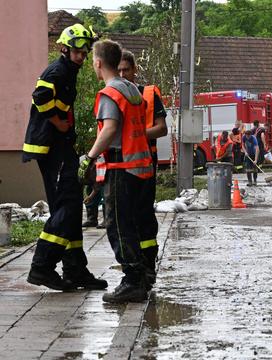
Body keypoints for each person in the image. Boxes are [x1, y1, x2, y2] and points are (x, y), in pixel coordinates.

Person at [22, 24, 107, 291]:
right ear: (64, 49)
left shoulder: (68, 71)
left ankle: (74, 270)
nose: (82, 57)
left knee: (69, 211)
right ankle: (42, 268)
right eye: (77, 52)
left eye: (84, 52)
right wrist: (57, 122)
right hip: (50, 149)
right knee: (67, 209)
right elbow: (40, 95)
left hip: (60, 148)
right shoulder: (57, 70)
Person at [83, 39, 154, 303]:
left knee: (118, 225)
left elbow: (111, 129)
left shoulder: (110, 94)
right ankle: (142, 276)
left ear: (98, 63)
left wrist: (90, 156)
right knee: (132, 223)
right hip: (139, 166)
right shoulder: (132, 89)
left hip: (120, 167)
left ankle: (132, 280)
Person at [118, 49, 167, 290]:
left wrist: (136, 136)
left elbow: (162, 129)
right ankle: (134, 266)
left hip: (146, 160)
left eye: (126, 69)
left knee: (143, 215)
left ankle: (147, 265)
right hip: (121, 164)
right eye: (118, 70)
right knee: (125, 217)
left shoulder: (147, 93)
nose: (122, 73)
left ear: (134, 70)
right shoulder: (113, 94)